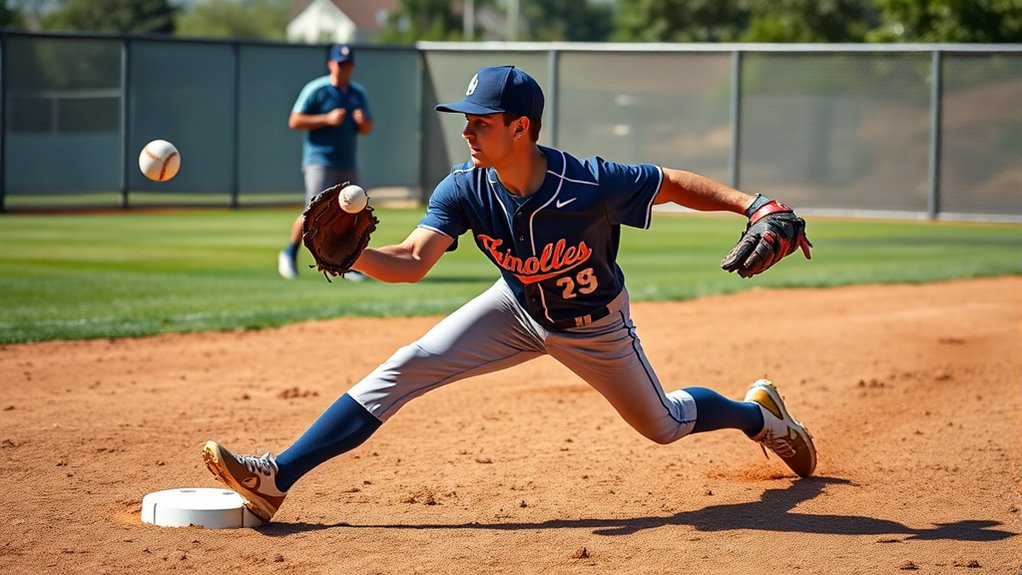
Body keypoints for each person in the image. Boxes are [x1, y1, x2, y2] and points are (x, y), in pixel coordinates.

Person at [205, 65, 816, 523]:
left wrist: (757, 205)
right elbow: (413, 261)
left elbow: (673, 183)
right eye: (466, 119)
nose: (468, 130)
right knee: (406, 366)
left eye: (482, 121)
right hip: (516, 308)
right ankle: (276, 478)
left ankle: (758, 416)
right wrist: (357, 254)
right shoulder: (464, 188)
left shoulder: (589, 182)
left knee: (663, 423)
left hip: (595, 327)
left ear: (520, 127)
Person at [278, 43, 373, 282]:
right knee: (313, 212)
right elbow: (294, 120)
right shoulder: (317, 89)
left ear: (352, 66)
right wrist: (326, 119)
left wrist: (362, 122)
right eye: (339, 63)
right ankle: (289, 253)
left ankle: (349, 264)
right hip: (319, 160)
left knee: (352, 213)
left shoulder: (357, 92)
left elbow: (368, 127)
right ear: (331, 64)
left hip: (347, 160)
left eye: (347, 63)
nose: (343, 68)